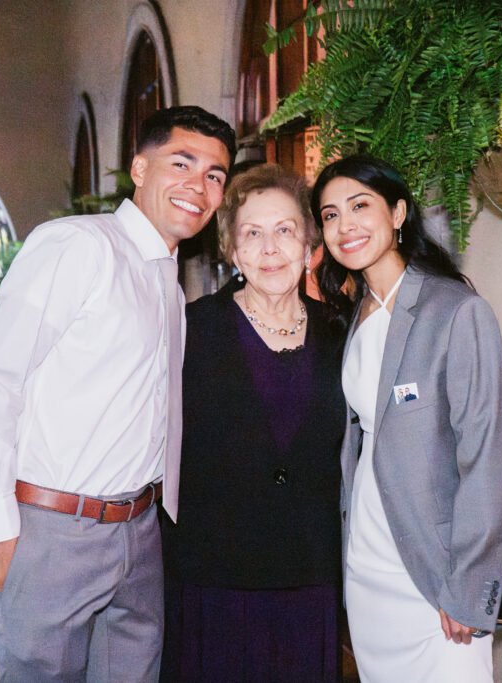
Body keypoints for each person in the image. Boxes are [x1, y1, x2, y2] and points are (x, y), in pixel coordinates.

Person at [0, 106, 235, 682]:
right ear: (140, 168)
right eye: (182, 163)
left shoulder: (167, 278)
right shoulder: (79, 246)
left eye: (214, 174)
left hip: (139, 530)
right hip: (53, 531)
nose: (198, 185)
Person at [312, 155, 502, 682]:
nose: (345, 225)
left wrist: (468, 584)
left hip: (436, 567)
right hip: (367, 560)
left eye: (360, 206)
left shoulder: (455, 310)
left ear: (397, 213)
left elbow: (488, 456)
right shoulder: (352, 316)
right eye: (330, 215)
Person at [160, 164, 346, 682]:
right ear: (232, 250)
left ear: (310, 245)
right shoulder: (191, 330)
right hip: (214, 577)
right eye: (252, 234)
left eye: (285, 230)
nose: (269, 249)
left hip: (309, 573)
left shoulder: (341, 332)